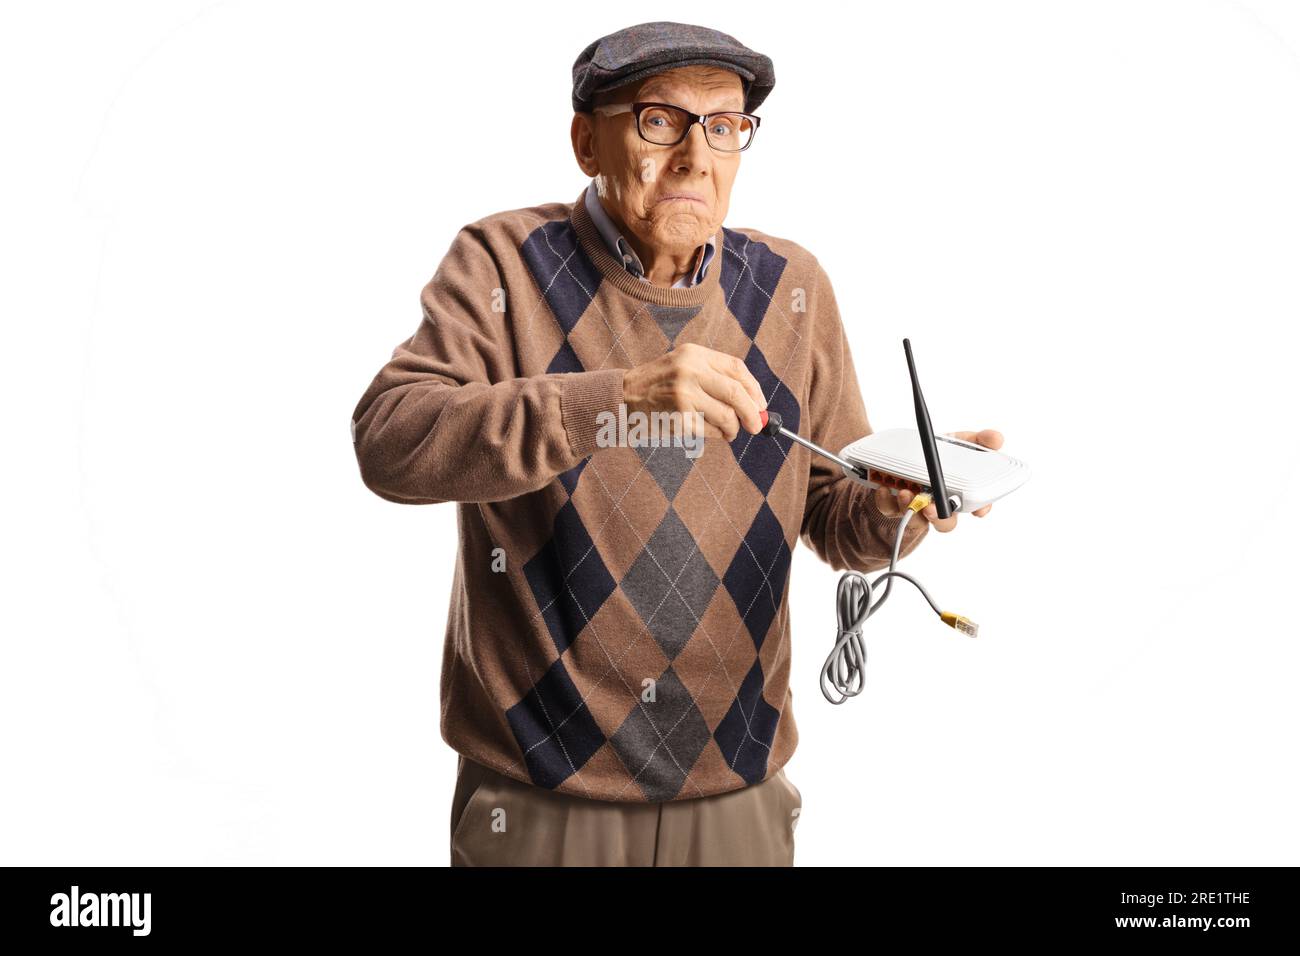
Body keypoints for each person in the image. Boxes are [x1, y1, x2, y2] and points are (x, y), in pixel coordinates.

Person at [350, 20, 1004, 866]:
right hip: (539, 795)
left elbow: (836, 514)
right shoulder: (503, 263)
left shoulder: (791, 288)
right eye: (661, 120)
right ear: (587, 139)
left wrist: (903, 498)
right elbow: (391, 440)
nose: (698, 156)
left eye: (725, 127)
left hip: (736, 790)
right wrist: (617, 397)